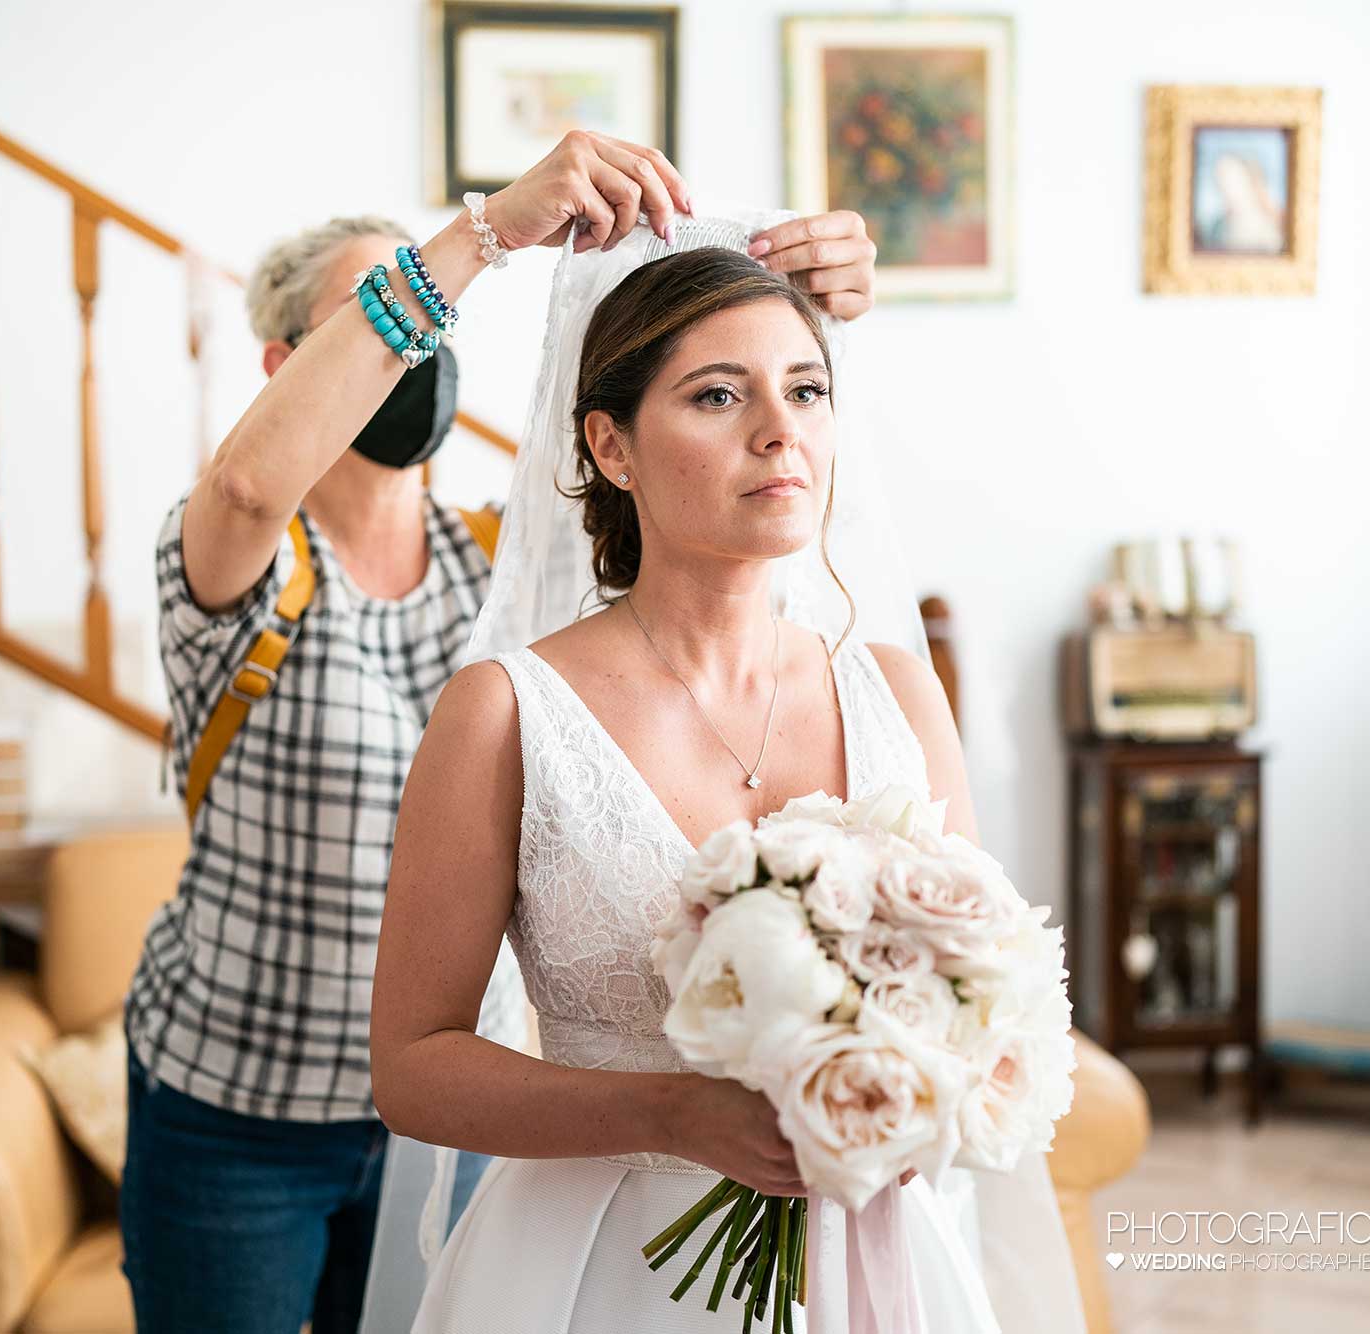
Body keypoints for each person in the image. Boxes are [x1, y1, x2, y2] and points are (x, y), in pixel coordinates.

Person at [120, 127, 883, 1334]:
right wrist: (483, 236)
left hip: (473, 1124)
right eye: (388, 316)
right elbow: (249, 484)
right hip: (245, 1103)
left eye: (432, 322)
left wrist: (794, 300)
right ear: (289, 364)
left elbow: (702, 564)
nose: (419, 346)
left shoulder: (501, 577)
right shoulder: (239, 566)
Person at [368, 225, 1087, 1330]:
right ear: (611, 446)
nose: (779, 431)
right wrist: (669, 1111)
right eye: (717, 395)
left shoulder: (897, 692)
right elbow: (413, 1067)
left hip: (868, 1258)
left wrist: (920, 1091)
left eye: (806, 390)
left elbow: (978, 989)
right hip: (596, 1269)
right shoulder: (505, 712)